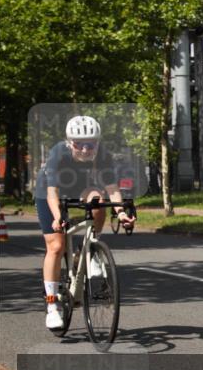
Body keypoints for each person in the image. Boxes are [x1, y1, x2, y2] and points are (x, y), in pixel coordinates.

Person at [35, 116, 134, 330]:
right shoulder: (58, 153)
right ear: (70, 142)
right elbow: (52, 193)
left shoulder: (103, 155)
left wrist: (121, 212)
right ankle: (52, 306)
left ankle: (91, 251)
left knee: (98, 200)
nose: (86, 149)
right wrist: (58, 217)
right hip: (49, 193)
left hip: (80, 187)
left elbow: (112, 189)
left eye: (91, 143)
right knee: (56, 246)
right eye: (80, 144)